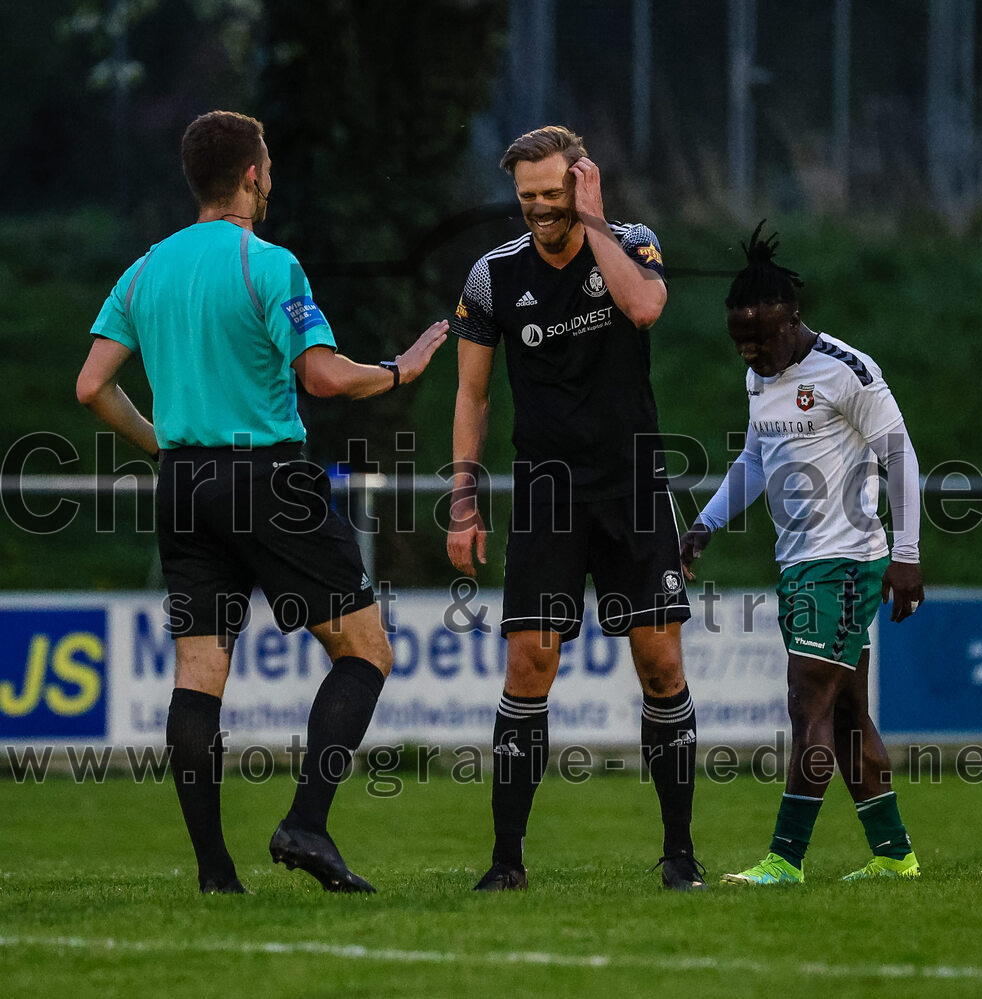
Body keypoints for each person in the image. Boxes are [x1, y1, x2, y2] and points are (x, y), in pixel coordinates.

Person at [76, 110, 448, 894]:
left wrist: (160, 445)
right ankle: (306, 823)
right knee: (365, 647)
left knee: (199, 670)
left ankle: (216, 872)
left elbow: (90, 385)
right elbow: (322, 376)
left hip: (183, 485)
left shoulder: (144, 270)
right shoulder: (266, 262)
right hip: (268, 479)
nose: (270, 177)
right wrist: (401, 367)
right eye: (268, 165)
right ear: (251, 175)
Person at [446, 125, 705, 892]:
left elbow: (646, 307)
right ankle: (505, 861)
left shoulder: (632, 242)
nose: (540, 211)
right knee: (530, 663)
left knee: (660, 665)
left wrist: (593, 224)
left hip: (631, 485)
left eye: (553, 195)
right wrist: (465, 501)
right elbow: (471, 392)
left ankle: (680, 853)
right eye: (528, 199)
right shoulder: (492, 276)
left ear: (582, 181)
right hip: (546, 492)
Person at [680, 221, 924, 885]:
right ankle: (895, 854)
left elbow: (899, 457)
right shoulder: (763, 379)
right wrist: (703, 523)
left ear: (794, 317)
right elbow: (756, 456)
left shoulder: (848, 370)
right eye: (741, 342)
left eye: (762, 337)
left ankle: (784, 859)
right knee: (845, 713)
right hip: (800, 563)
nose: (751, 352)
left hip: (845, 562)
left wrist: (906, 553)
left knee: (806, 704)